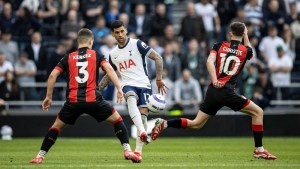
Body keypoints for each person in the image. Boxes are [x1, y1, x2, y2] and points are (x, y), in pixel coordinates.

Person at [151, 22, 277, 160]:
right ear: (243, 33)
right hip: (227, 91)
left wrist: (215, 79)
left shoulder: (219, 45)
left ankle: (165, 123)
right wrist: (246, 35)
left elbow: (209, 62)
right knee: (258, 112)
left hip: (213, 90)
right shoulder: (246, 51)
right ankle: (259, 149)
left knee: (196, 124)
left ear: (230, 34)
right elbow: (250, 52)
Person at [30, 28, 140, 164]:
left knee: (56, 127)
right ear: (91, 42)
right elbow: (110, 69)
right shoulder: (96, 54)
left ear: (78, 42)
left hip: (73, 102)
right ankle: (127, 150)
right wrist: (118, 88)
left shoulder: (68, 57)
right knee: (117, 121)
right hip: (94, 100)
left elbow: (52, 75)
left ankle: (40, 156)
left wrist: (48, 97)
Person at [98, 20, 168, 163]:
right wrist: (97, 89)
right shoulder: (112, 54)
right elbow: (109, 74)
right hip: (127, 84)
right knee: (130, 98)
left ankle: (138, 152)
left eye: (122, 31)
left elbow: (158, 58)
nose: (120, 35)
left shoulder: (137, 44)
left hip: (144, 84)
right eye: (117, 32)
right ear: (113, 34)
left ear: (126, 31)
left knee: (142, 117)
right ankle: (142, 132)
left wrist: (159, 79)